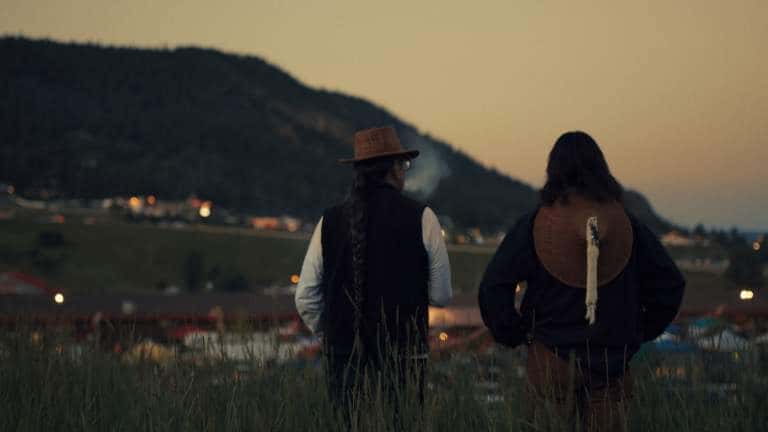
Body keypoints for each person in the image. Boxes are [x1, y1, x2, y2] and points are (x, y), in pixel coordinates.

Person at [478, 131, 685, 431]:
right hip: (612, 364)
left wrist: (516, 333)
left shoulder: (536, 224)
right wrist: (636, 333)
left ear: (553, 171)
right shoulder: (627, 225)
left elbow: (493, 287)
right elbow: (670, 285)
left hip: (551, 361)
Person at [295, 126, 452, 416]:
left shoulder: (328, 221)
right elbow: (441, 295)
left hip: (344, 359)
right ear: (393, 169)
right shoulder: (423, 218)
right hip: (405, 359)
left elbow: (305, 297)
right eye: (403, 164)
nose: (405, 171)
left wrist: (332, 335)